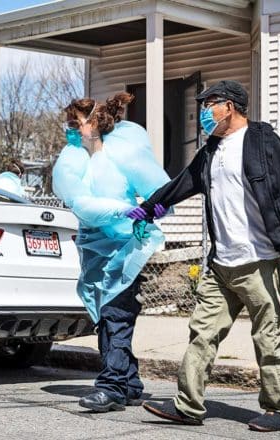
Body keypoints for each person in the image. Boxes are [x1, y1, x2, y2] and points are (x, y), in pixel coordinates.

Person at [134, 80, 280, 432]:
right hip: (220, 263)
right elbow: (184, 181)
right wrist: (152, 207)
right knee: (202, 333)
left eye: (209, 103)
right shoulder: (212, 149)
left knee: (267, 338)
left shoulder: (262, 142)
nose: (203, 111)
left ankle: (279, 410)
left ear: (229, 106)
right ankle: (188, 406)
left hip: (260, 259)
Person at [52, 92, 169, 413]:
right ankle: (129, 382)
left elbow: (161, 194)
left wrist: (148, 212)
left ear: (96, 123)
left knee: (116, 315)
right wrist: (125, 210)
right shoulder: (75, 160)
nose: (71, 128)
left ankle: (112, 386)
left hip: (124, 250)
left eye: (76, 122)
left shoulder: (122, 158)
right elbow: (82, 205)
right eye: (69, 123)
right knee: (105, 316)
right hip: (93, 249)